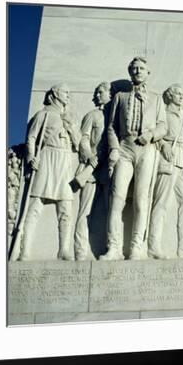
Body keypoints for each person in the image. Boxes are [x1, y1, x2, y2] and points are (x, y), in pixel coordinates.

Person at [100, 57, 167, 260]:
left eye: (141, 68)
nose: (137, 71)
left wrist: (151, 134)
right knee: (117, 198)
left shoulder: (157, 99)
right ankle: (113, 247)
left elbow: (164, 126)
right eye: (134, 68)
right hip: (124, 148)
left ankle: (137, 246)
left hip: (146, 148)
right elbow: (111, 126)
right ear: (130, 72)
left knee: (141, 199)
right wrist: (113, 147)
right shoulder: (120, 96)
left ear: (148, 73)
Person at [17, 83, 80, 261]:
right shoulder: (43, 114)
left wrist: (71, 126)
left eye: (69, 92)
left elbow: (77, 143)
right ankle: (25, 251)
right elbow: (31, 138)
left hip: (65, 160)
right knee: (35, 205)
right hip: (47, 158)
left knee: (65, 208)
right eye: (65, 92)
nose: (68, 95)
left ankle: (64, 250)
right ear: (55, 94)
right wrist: (30, 157)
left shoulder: (69, 117)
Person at [147, 84, 183, 259]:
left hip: (181, 161)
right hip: (167, 160)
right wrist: (163, 144)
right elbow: (153, 133)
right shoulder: (163, 113)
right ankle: (153, 244)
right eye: (178, 94)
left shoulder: (182, 115)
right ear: (170, 95)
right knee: (161, 202)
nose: (181, 96)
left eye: (182, 94)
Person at [73, 82, 111, 261]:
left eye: (100, 92)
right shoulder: (93, 115)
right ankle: (80, 251)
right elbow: (84, 138)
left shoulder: (114, 116)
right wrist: (89, 156)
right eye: (96, 92)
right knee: (84, 211)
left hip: (109, 169)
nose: (96, 96)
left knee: (112, 210)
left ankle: (110, 248)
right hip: (93, 168)